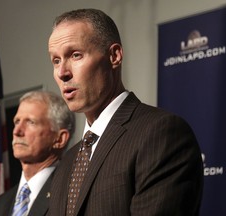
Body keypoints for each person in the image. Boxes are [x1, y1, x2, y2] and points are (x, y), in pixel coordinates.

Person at [47, 8, 203, 216]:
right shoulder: (68, 162)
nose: (62, 72)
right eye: (56, 60)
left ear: (114, 56)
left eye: (75, 55)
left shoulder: (161, 134)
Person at [0, 90, 75, 216]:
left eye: (31, 122)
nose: (17, 131)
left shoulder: (72, 192)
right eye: (17, 122)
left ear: (59, 139)